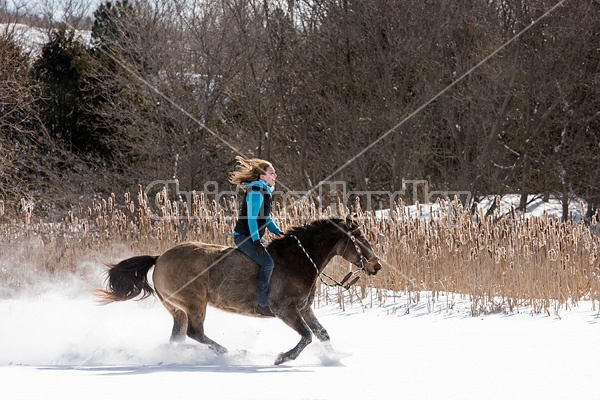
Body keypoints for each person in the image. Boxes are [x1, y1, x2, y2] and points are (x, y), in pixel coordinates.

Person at [230, 156, 284, 317]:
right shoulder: (255, 192)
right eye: (272, 173)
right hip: (244, 237)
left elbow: (266, 218)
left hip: (253, 237)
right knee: (267, 263)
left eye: (275, 173)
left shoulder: (264, 192)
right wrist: (256, 241)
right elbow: (252, 218)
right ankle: (262, 304)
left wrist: (280, 233)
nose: (275, 176)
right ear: (262, 176)